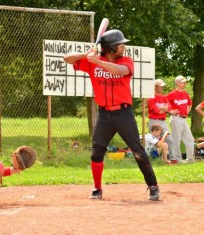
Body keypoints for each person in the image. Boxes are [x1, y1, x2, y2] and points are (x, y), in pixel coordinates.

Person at [63, 29, 159, 201]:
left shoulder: (126, 61)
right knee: (96, 152)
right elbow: (67, 58)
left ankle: (153, 185)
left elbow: (121, 71)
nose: (124, 47)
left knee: (137, 151)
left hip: (123, 113)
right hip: (104, 114)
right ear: (111, 47)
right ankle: (97, 188)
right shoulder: (92, 60)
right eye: (121, 44)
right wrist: (85, 55)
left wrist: (98, 63)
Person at [148, 79, 178, 163]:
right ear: (155, 87)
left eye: (162, 86)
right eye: (160, 86)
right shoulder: (151, 98)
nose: (162, 88)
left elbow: (169, 108)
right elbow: (156, 111)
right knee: (154, 141)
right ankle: (154, 159)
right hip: (153, 121)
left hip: (163, 121)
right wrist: (164, 108)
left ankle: (173, 159)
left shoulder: (164, 97)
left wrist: (162, 108)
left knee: (169, 139)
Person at [166, 75, 195, 163]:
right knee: (176, 139)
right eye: (182, 82)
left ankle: (190, 159)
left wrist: (187, 112)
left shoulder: (185, 93)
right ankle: (177, 159)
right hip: (176, 118)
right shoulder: (172, 94)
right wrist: (170, 111)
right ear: (177, 83)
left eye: (185, 81)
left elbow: (190, 104)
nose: (184, 83)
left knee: (190, 139)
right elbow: (163, 102)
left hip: (183, 119)